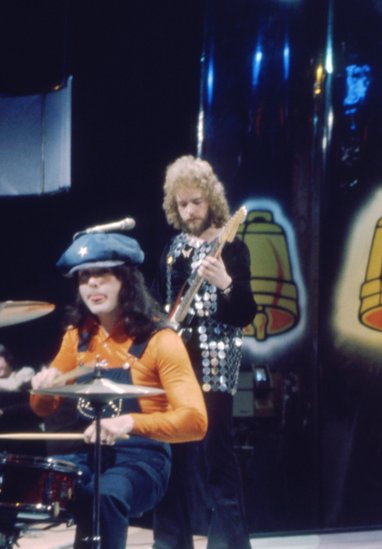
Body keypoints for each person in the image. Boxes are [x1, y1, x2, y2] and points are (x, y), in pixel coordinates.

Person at [29, 232, 207, 549]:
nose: (92, 284)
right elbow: (42, 408)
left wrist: (129, 422)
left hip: (143, 460)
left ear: (126, 280)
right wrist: (44, 387)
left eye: (103, 274)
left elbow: (195, 421)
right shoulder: (78, 337)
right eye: (84, 276)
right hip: (86, 455)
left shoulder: (161, 340)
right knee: (26, 486)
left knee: (104, 495)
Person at [152, 155, 256, 549]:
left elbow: (246, 313)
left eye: (196, 202)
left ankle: (229, 542)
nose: (190, 211)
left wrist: (226, 283)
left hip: (215, 362)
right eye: (182, 204)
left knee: (217, 455)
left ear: (211, 199)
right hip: (175, 362)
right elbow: (157, 302)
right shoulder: (172, 249)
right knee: (173, 453)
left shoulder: (233, 247)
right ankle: (171, 541)